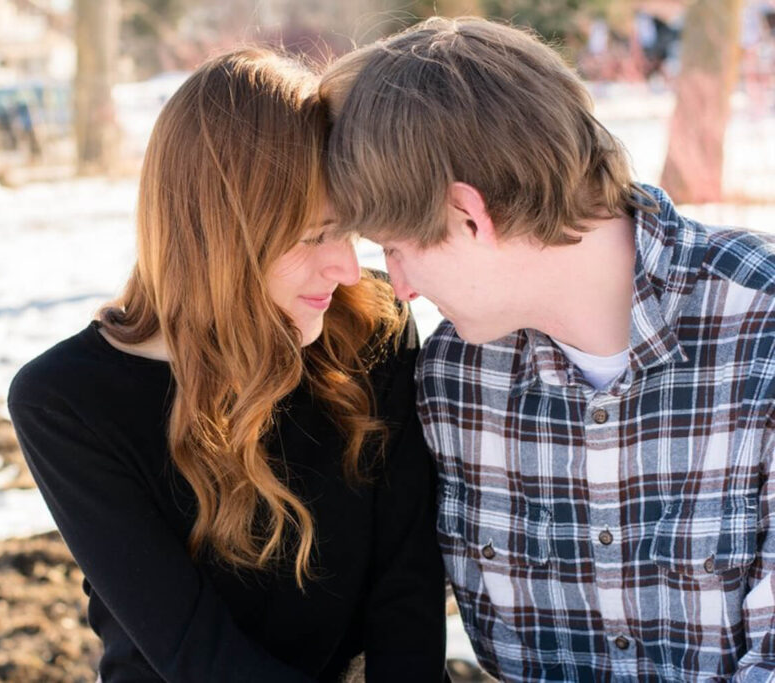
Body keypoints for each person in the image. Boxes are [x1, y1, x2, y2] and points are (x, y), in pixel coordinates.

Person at [321, 16, 775, 682]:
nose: (403, 288)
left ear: (469, 216)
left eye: (395, 248)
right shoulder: (453, 380)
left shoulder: (759, 329)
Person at [8, 48, 445, 683]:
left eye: (349, 231)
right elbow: (197, 653)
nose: (348, 268)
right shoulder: (69, 401)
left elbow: (406, 593)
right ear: (218, 235)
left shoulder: (370, 328)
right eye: (313, 236)